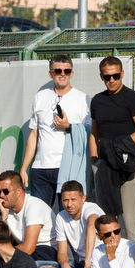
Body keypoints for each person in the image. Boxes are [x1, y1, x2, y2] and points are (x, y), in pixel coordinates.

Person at [89, 56, 135, 237]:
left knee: (131, 222)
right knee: (106, 221)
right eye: (107, 77)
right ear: (101, 76)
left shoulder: (133, 98)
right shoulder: (97, 101)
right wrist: (95, 162)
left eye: (115, 76)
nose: (112, 80)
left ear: (122, 74)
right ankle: (108, 262)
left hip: (128, 163)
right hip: (105, 166)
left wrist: (119, 146)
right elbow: (94, 133)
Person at [22, 54, 92, 206]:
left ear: (71, 74)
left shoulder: (83, 99)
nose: (62, 74)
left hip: (67, 167)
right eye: (58, 70)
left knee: (67, 216)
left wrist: (68, 126)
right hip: (40, 168)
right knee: (39, 217)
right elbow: (34, 134)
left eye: (66, 71)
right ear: (50, 73)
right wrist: (24, 168)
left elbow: (90, 132)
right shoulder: (40, 96)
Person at [0, 170, 56, 262]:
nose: (1, 195)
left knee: (12, 262)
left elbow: (28, 248)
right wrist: (4, 216)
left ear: (19, 191)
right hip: (29, 253)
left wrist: (2, 251)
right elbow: (4, 243)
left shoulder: (34, 206)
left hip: (47, 251)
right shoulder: (7, 209)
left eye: (5, 191)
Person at [54, 181, 103, 268]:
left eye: (73, 200)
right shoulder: (61, 217)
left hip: (100, 261)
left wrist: (88, 261)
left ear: (83, 199)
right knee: (41, 267)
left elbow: (91, 226)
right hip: (82, 263)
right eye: (65, 200)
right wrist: (64, 265)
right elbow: (62, 252)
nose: (69, 205)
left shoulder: (91, 208)